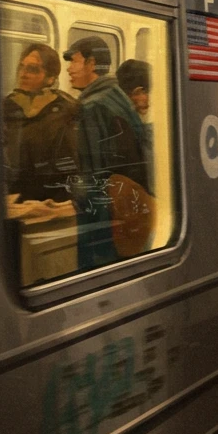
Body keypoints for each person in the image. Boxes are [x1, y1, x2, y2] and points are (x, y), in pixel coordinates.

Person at [65, 36, 153, 268]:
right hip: (129, 210)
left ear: (91, 64)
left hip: (104, 223)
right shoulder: (118, 97)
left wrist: (69, 192)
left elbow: (92, 177)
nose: (69, 68)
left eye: (74, 61)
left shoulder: (91, 106)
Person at [3, 43, 78, 202]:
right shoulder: (7, 108)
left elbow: (71, 170)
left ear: (50, 78)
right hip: (13, 199)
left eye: (32, 69)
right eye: (22, 68)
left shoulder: (65, 113)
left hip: (51, 202)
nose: (23, 74)